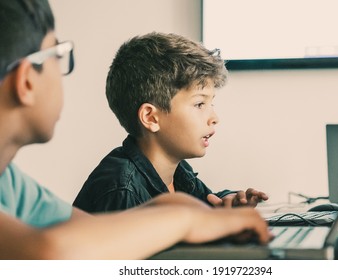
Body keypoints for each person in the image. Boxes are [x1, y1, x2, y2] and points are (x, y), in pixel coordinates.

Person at [0, 0, 272, 259]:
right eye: (58, 57)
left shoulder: (10, 182)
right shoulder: (121, 186)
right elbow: (49, 254)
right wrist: (187, 218)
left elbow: (89, 232)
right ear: (26, 82)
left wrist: (213, 214)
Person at [73, 32, 269, 213]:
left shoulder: (178, 172)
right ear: (151, 117)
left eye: (212, 103)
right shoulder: (122, 190)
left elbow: (204, 205)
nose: (214, 118)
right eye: (200, 104)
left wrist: (228, 202)